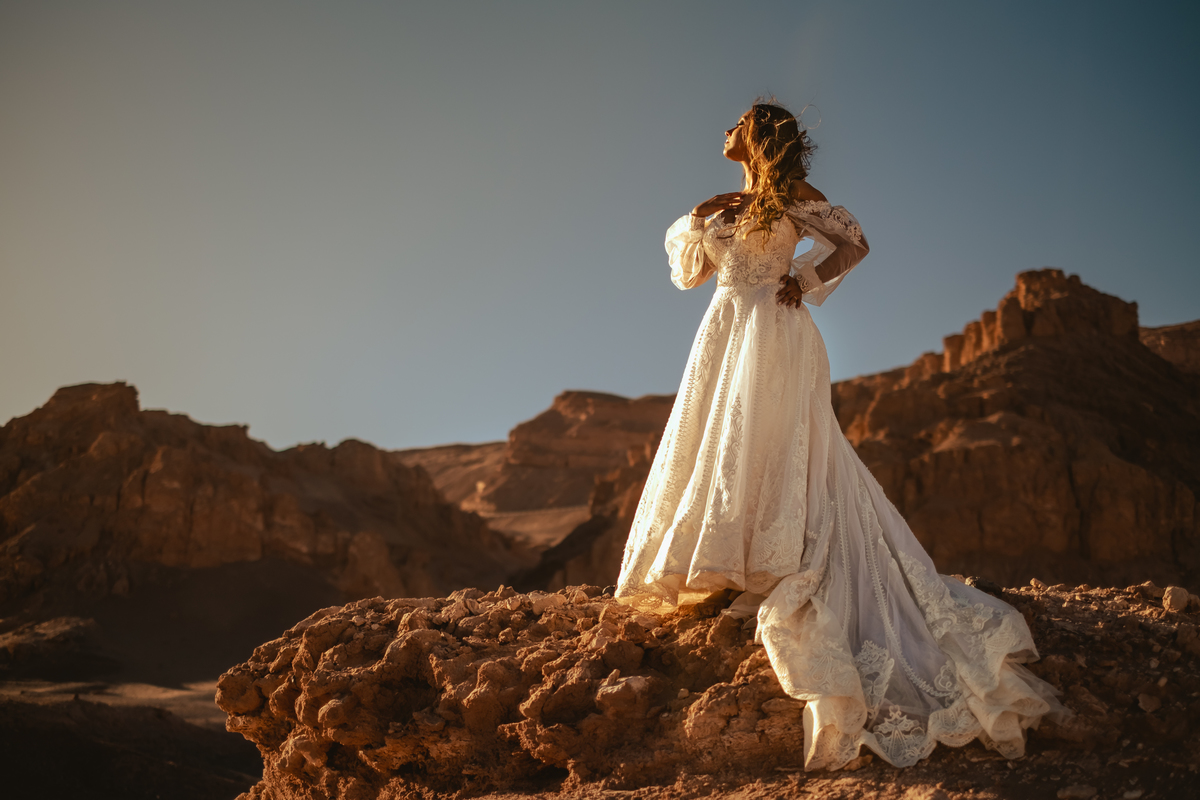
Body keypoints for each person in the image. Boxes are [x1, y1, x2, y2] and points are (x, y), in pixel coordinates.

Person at [615, 100, 1062, 770]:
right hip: (723, 331)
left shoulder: (793, 194)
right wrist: (701, 216)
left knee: (771, 440)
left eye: (736, 123)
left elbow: (853, 243)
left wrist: (802, 280)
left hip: (774, 330)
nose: (725, 131)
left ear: (758, 135)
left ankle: (774, 561)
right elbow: (693, 274)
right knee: (724, 442)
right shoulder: (723, 205)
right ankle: (727, 563)